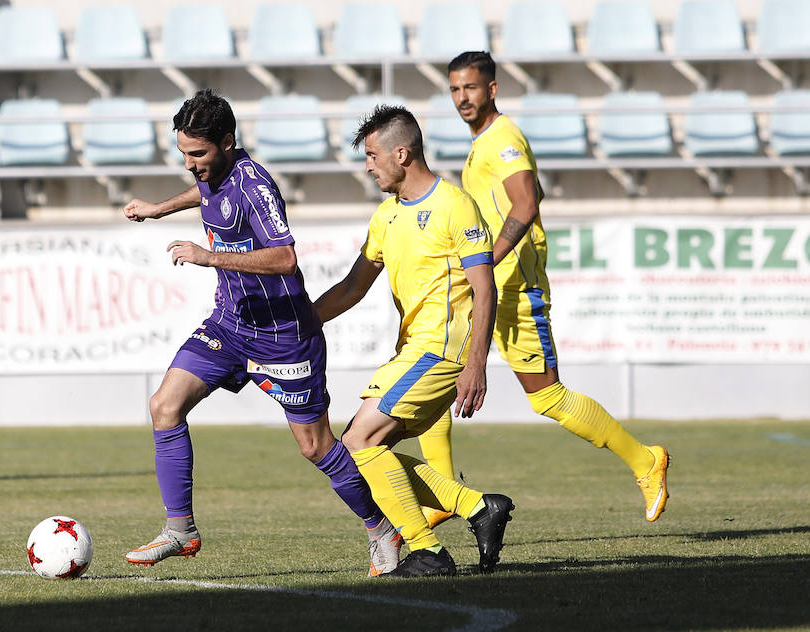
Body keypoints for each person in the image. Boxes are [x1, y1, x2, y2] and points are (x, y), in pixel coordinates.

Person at [121, 89, 402, 576]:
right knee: (164, 406)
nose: (190, 165)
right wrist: (158, 208)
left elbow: (285, 257)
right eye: (183, 153)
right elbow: (205, 192)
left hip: (284, 336)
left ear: (227, 143)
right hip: (230, 325)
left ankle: (381, 529)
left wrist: (208, 256)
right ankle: (180, 529)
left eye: (199, 154)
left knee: (316, 447)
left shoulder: (256, 187)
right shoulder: (214, 173)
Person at [431, 51, 670, 522]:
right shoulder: (483, 142)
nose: (462, 97)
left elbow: (525, 202)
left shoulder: (503, 139)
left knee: (547, 397)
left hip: (515, 286)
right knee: (433, 373)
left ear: (492, 89)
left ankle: (647, 460)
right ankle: (441, 496)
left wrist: (489, 258)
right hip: (487, 287)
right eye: (455, 89)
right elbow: (521, 197)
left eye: (471, 88)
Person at [314, 105, 514, 578]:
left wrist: (477, 363)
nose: (367, 165)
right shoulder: (386, 216)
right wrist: (301, 322)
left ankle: (427, 551)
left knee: (359, 440)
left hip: (444, 351)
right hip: (412, 351)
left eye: (372, 154)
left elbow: (485, 287)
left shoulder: (455, 204)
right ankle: (478, 506)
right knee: (367, 450)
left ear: (401, 153)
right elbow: (351, 288)